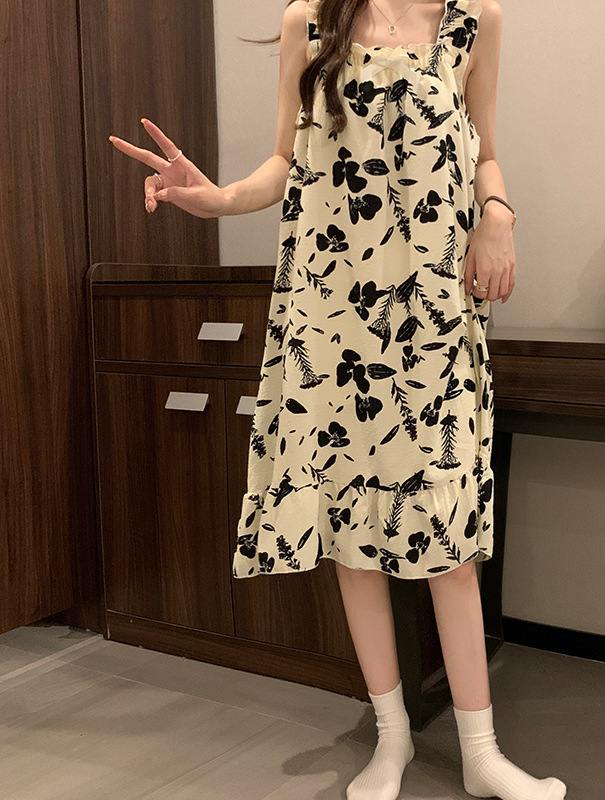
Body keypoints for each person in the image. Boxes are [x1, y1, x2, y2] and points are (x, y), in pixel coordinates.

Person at [110, 2, 566, 798]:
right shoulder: (310, 21)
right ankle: (391, 741)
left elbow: (485, 151)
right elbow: (283, 163)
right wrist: (214, 199)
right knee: (352, 537)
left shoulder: (472, 19)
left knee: (449, 543)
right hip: (331, 316)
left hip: (430, 313)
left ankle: (481, 754)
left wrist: (498, 214)